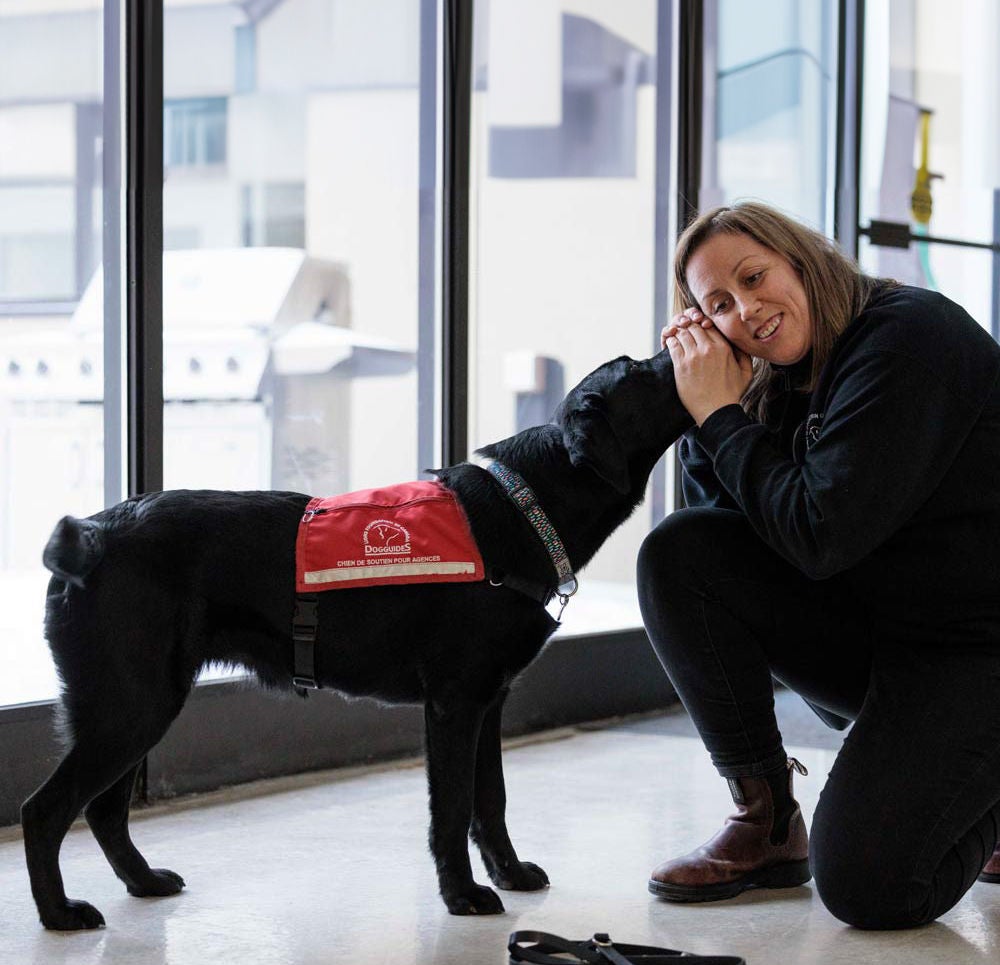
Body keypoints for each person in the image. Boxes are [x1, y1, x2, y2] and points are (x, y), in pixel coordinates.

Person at [637, 200, 1000, 930]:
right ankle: (766, 823)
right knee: (679, 554)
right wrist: (708, 408)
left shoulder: (907, 339)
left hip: (980, 650)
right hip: (894, 635)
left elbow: (819, 533)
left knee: (871, 886)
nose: (748, 309)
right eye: (719, 306)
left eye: (754, 275)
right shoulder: (784, 378)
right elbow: (729, 532)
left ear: (800, 258)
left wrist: (721, 419)